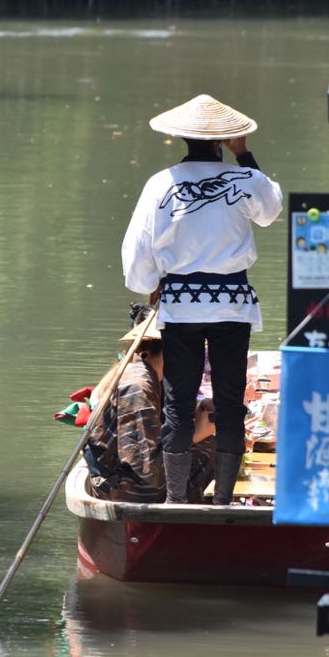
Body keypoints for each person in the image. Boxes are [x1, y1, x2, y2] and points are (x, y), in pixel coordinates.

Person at [121, 94, 282, 505]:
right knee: (229, 402)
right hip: (232, 305)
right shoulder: (244, 179)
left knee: (178, 401)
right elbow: (270, 210)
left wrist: (149, 283)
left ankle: (175, 499)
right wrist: (244, 155)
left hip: (181, 306)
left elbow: (138, 248)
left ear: (182, 138)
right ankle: (224, 499)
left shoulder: (161, 183)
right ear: (224, 141)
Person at [83, 306, 215, 503]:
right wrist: (197, 435)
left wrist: (200, 411)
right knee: (211, 448)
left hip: (134, 475)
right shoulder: (138, 387)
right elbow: (149, 468)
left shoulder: (154, 377)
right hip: (121, 486)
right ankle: (187, 513)